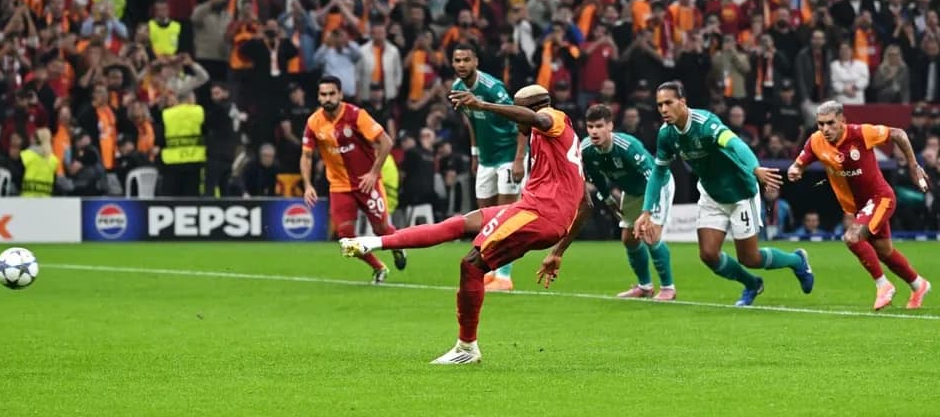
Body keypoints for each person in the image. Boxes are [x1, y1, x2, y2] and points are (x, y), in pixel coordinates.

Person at [339, 85, 589, 364]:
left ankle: (466, 348)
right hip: (535, 211)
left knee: (471, 265)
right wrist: (557, 252)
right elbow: (586, 203)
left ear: (532, 110)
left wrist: (482, 105)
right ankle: (374, 242)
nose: (516, 123)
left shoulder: (552, 117)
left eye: (519, 115)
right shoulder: (567, 142)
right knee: (460, 224)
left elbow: (540, 118)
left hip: (538, 214)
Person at [634, 81, 814, 307]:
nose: (663, 109)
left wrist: (755, 168)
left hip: (740, 193)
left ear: (683, 102)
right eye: (659, 105)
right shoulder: (666, 134)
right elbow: (659, 172)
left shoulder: (705, 123)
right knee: (708, 254)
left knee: (750, 258)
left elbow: (735, 144)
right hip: (711, 194)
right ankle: (752, 284)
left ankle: (797, 260)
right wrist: (646, 210)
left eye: (668, 103)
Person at [788, 101, 932, 310]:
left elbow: (898, 133)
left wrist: (913, 165)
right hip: (859, 206)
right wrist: (795, 170)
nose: (825, 129)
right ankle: (918, 285)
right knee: (885, 252)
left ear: (842, 121)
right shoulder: (816, 141)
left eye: (830, 123)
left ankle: (883, 286)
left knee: (852, 237)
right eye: (821, 124)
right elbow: (800, 163)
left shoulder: (861, 133)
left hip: (880, 198)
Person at [301, 76, 405, 283]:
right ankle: (378, 268)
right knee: (345, 237)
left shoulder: (357, 115)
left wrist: (374, 173)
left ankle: (398, 247)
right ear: (318, 96)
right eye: (323, 94)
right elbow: (306, 155)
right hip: (339, 186)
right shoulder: (313, 122)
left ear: (340, 94)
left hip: (367, 183)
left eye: (332, 93)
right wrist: (307, 185)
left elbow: (386, 142)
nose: (328, 98)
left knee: (381, 229)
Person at [451, 42, 528, 291]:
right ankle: (491, 270)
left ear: (476, 62)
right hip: (485, 159)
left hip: (507, 156)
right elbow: (472, 122)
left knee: (506, 214)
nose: (461, 65)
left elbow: (519, 118)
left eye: (466, 60)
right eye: (457, 60)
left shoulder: (493, 88)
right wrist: (475, 153)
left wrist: (519, 159)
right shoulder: (457, 89)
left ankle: (504, 276)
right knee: (486, 218)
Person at [581, 104, 676, 300]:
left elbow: (652, 176)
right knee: (629, 239)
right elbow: (595, 176)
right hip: (631, 191)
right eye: (590, 127)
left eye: (599, 126)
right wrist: (607, 197)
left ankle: (668, 288)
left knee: (650, 235)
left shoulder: (627, 146)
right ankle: (645, 286)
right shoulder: (587, 149)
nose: (594, 131)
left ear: (610, 126)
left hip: (658, 186)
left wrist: (647, 211)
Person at [158, 92, 206, 197]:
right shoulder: (199, 111)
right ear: (190, 99)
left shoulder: (167, 114)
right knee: (191, 196)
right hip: (194, 159)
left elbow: (160, 138)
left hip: (172, 161)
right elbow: (206, 132)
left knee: (172, 195)